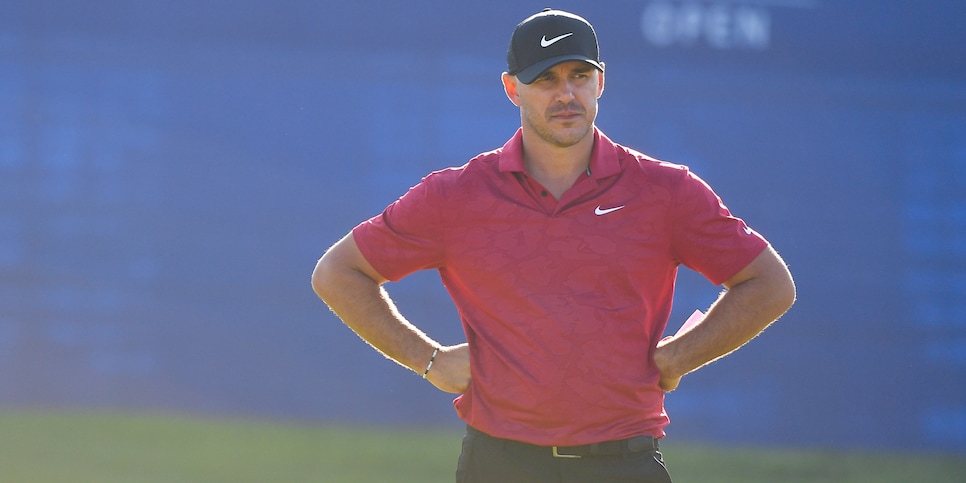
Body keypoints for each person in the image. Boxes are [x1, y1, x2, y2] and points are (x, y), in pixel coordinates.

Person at [312, 8, 795, 483]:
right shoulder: (457, 195)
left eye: (579, 75)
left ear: (600, 83)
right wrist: (430, 360)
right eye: (546, 80)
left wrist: (679, 356)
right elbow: (339, 273)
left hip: (623, 463)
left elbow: (770, 284)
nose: (566, 94)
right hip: (499, 465)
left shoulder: (665, 191)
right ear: (512, 88)